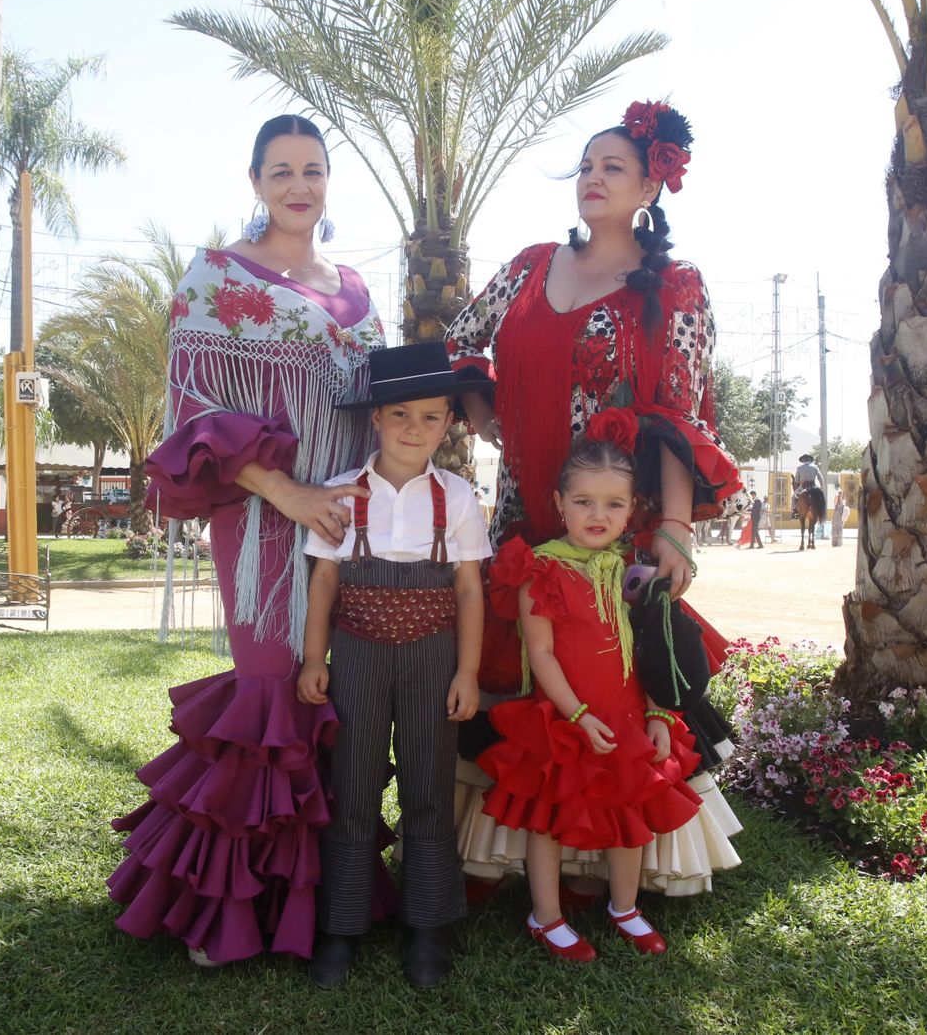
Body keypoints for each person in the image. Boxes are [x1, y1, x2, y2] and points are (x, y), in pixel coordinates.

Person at [445, 98, 743, 899]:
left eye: (612, 166)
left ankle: (599, 863)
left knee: (602, 675)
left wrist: (674, 526)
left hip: (617, 526)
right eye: (584, 166)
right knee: (525, 669)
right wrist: (488, 417)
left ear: (653, 183)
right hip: (524, 515)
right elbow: (459, 343)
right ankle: (507, 860)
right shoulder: (530, 264)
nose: (592, 178)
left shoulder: (675, 287)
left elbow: (681, 419)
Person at [106, 114, 385, 967]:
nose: (298, 185)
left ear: (329, 179)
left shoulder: (356, 289)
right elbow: (195, 416)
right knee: (270, 692)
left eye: (313, 169)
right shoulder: (216, 278)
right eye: (280, 171)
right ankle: (226, 911)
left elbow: (379, 402)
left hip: (348, 520)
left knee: (330, 696)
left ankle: (321, 903)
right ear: (255, 181)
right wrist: (290, 493)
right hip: (264, 517)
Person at [298, 344, 492, 989]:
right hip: (356, 652)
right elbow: (324, 581)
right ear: (376, 418)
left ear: (448, 424)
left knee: (428, 785)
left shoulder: (459, 496)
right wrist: (312, 658)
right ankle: (341, 928)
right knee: (351, 782)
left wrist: (466, 673)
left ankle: (429, 926)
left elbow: (468, 589)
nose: (416, 428)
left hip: (433, 658)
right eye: (401, 414)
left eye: (432, 417)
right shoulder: (340, 492)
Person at [479, 432, 704, 961]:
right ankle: (546, 915)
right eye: (582, 501)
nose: (597, 514)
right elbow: (542, 654)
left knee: (629, 814)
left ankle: (624, 906)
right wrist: (576, 716)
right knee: (550, 818)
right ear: (559, 504)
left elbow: (651, 648)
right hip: (564, 718)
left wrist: (655, 713)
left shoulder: (638, 569)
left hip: (627, 715)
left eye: (613, 503)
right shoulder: (542, 569)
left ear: (633, 510)